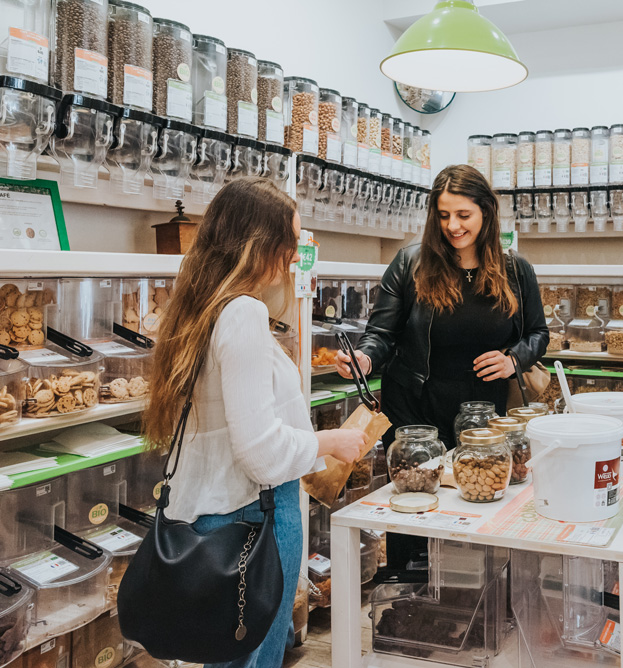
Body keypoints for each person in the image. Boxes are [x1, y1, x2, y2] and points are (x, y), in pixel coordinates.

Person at [143, 178, 367, 668]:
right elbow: (260, 451)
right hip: (253, 516)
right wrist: (333, 440)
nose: (295, 255)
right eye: (291, 241)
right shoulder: (243, 312)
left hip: (212, 514)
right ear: (258, 243)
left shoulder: (201, 307)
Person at [334, 164, 549, 450]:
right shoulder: (409, 263)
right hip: (414, 412)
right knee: (417, 492)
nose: (453, 226)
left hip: (486, 415)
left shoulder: (516, 270)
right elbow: (381, 334)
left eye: (464, 215)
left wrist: (514, 360)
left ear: (486, 211)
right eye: (444, 215)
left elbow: (538, 333)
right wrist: (365, 359)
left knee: (481, 489)